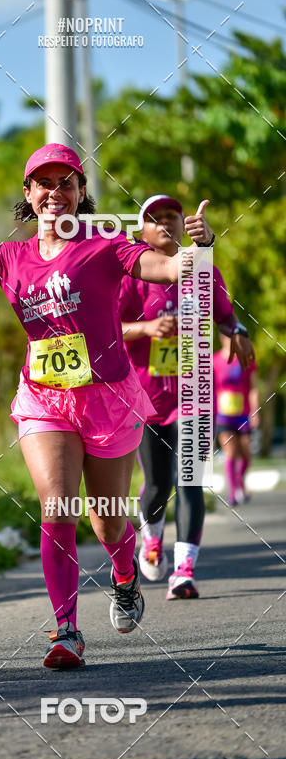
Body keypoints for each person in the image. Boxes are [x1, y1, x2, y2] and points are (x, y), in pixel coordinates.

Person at [0, 145, 215, 670]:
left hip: (108, 399)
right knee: (57, 508)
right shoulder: (8, 257)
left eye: (66, 183)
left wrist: (196, 249)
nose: (55, 193)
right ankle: (65, 630)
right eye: (43, 184)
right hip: (45, 400)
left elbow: (165, 267)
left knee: (107, 522)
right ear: (28, 195)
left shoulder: (106, 247)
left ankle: (125, 574)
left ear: (81, 193)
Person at [119, 194, 255, 600]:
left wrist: (240, 333)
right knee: (158, 485)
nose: (164, 223)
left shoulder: (202, 267)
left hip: (194, 393)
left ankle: (184, 571)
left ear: (183, 223)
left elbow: (226, 315)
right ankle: (152, 536)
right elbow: (107, 328)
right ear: (141, 230)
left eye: (171, 216)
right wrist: (146, 329)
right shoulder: (130, 274)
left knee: (191, 481)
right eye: (154, 218)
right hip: (144, 397)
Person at [214, 332, 259, 505]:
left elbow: (253, 388)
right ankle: (233, 493)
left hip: (243, 414)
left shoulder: (246, 359)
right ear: (221, 338)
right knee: (231, 453)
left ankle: (240, 479)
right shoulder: (214, 361)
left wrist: (255, 411)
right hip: (223, 416)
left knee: (246, 451)